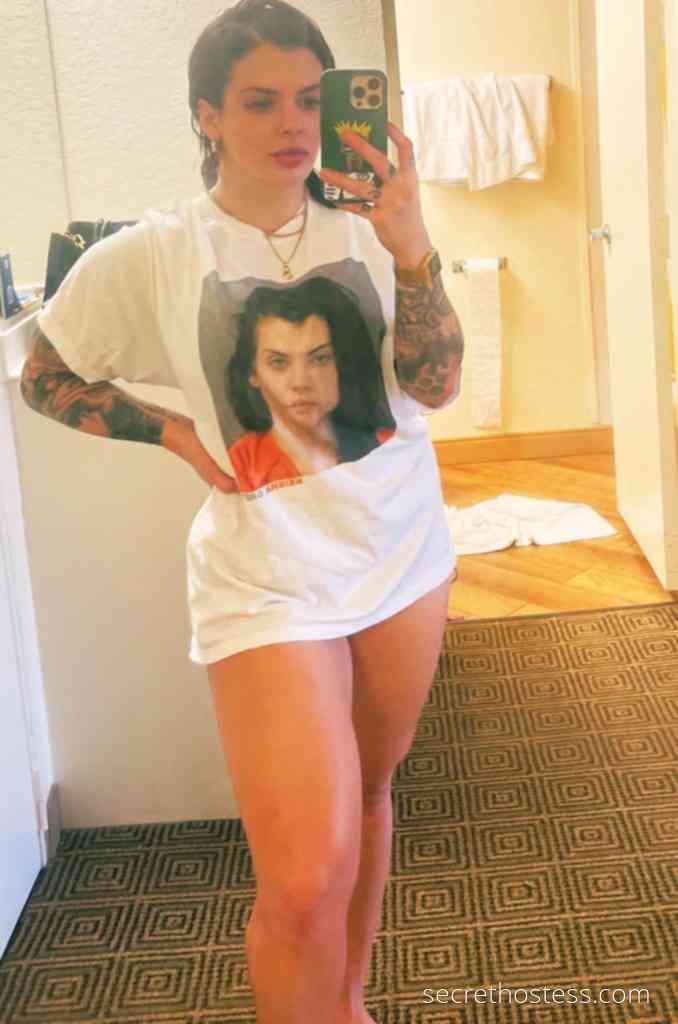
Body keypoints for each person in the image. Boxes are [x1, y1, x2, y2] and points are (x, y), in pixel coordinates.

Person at [20, 1, 465, 1022]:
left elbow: (435, 386)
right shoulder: (158, 250)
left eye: (310, 99)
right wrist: (173, 433)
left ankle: (347, 1000)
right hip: (265, 577)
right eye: (260, 101)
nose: (293, 123)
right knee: (303, 875)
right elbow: (46, 373)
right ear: (207, 116)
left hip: (401, 550)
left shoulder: (373, 224)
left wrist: (412, 246)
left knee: (369, 792)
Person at [227, 277, 395, 492]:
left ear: (341, 364)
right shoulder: (243, 462)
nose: (300, 383)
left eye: (320, 359)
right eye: (278, 362)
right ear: (253, 373)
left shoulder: (386, 445)